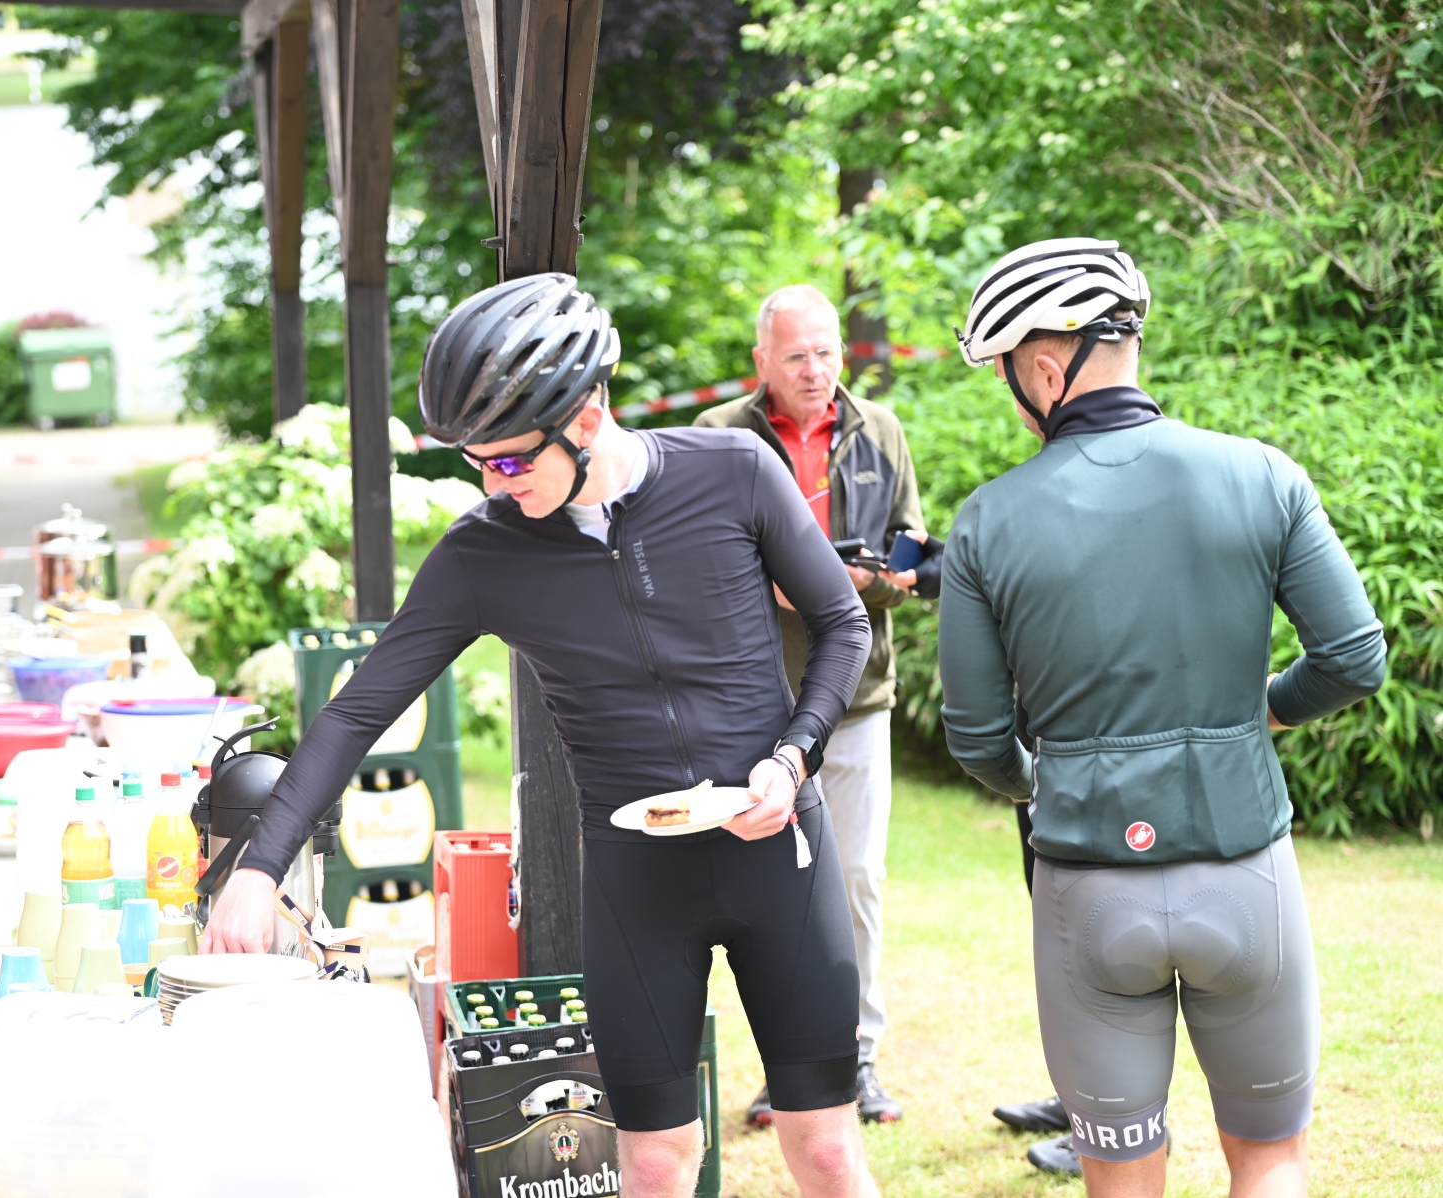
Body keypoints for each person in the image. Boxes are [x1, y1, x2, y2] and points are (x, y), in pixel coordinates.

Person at [205, 273, 883, 1198]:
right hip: (638, 879)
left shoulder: (735, 471)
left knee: (829, 1151)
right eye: (477, 463)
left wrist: (793, 754)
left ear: (588, 418)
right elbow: (360, 709)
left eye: (512, 462)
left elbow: (843, 624)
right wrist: (258, 869)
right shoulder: (485, 552)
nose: (493, 483)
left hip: (779, 849)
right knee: (654, 1163)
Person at [939, 238, 1386, 1198]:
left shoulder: (987, 521)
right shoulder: (1263, 475)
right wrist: (1265, 714)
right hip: (1244, 869)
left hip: (1088, 886)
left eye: (1005, 375)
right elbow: (1354, 659)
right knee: (1272, 1162)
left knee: (1122, 1176)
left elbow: (976, 738)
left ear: (1044, 367)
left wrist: (1046, 781)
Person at [694, 284, 935, 1127]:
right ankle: (787, 1062)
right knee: (772, 890)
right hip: (752, 701)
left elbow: (911, 561)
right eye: (796, 355)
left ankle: (857, 1057)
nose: (814, 370)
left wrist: (861, 582)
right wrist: (766, 584)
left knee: (857, 878)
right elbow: (689, 562)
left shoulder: (882, 430)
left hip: (856, 695)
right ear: (761, 360)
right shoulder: (718, 434)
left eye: (827, 352)